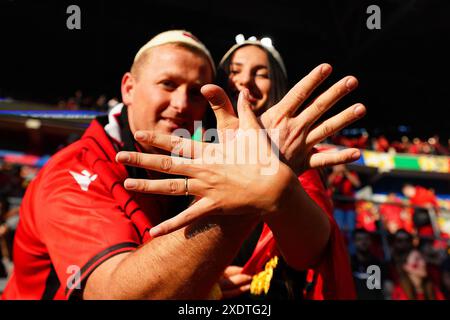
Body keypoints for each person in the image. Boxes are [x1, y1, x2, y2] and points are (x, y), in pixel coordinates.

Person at [2, 30, 365, 300]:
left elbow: (315, 254)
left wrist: (275, 182)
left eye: (195, 91)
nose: (180, 103)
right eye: (168, 84)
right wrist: (250, 187)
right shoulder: (74, 171)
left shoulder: (205, 157)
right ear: (128, 88)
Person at [209, 38, 359, 299]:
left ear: (276, 85)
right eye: (234, 71)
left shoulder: (298, 158)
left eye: (262, 74)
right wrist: (201, 282)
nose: (245, 80)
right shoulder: (188, 143)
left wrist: (276, 172)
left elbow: (312, 253)